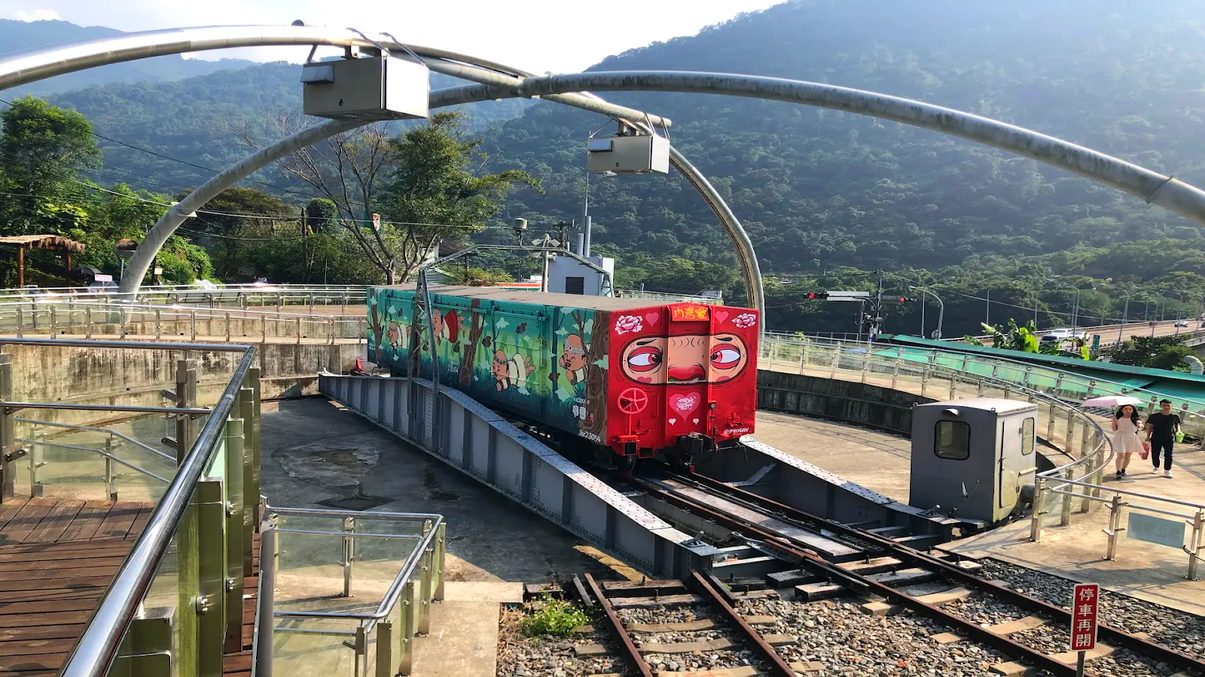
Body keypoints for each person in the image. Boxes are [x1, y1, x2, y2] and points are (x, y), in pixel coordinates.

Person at [1145, 399, 1182, 478]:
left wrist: (1178, 431)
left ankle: (1167, 470)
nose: (1166, 407)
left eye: (1168, 405)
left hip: (1169, 437)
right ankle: (1156, 466)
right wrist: (1148, 436)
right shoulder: (1154, 416)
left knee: (1168, 454)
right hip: (1156, 437)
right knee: (1155, 453)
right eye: (1164, 405)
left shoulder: (1174, 416)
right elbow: (1150, 427)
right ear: (1160, 406)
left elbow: (1177, 424)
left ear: (1171, 406)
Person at [1111, 404, 1143, 480]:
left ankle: (1123, 469)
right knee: (1121, 454)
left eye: (1130, 409)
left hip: (1131, 437)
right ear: (1122, 410)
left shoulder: (1135, 419)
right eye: (1126, 409)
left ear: (1132, 410)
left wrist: (1140, 425)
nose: (1128, 410)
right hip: (1120, 437)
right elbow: (1114, 429)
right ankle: (1118, 471)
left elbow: (1141, 426)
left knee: (1128, 455)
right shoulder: (1118, 418)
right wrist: (1114, 423)